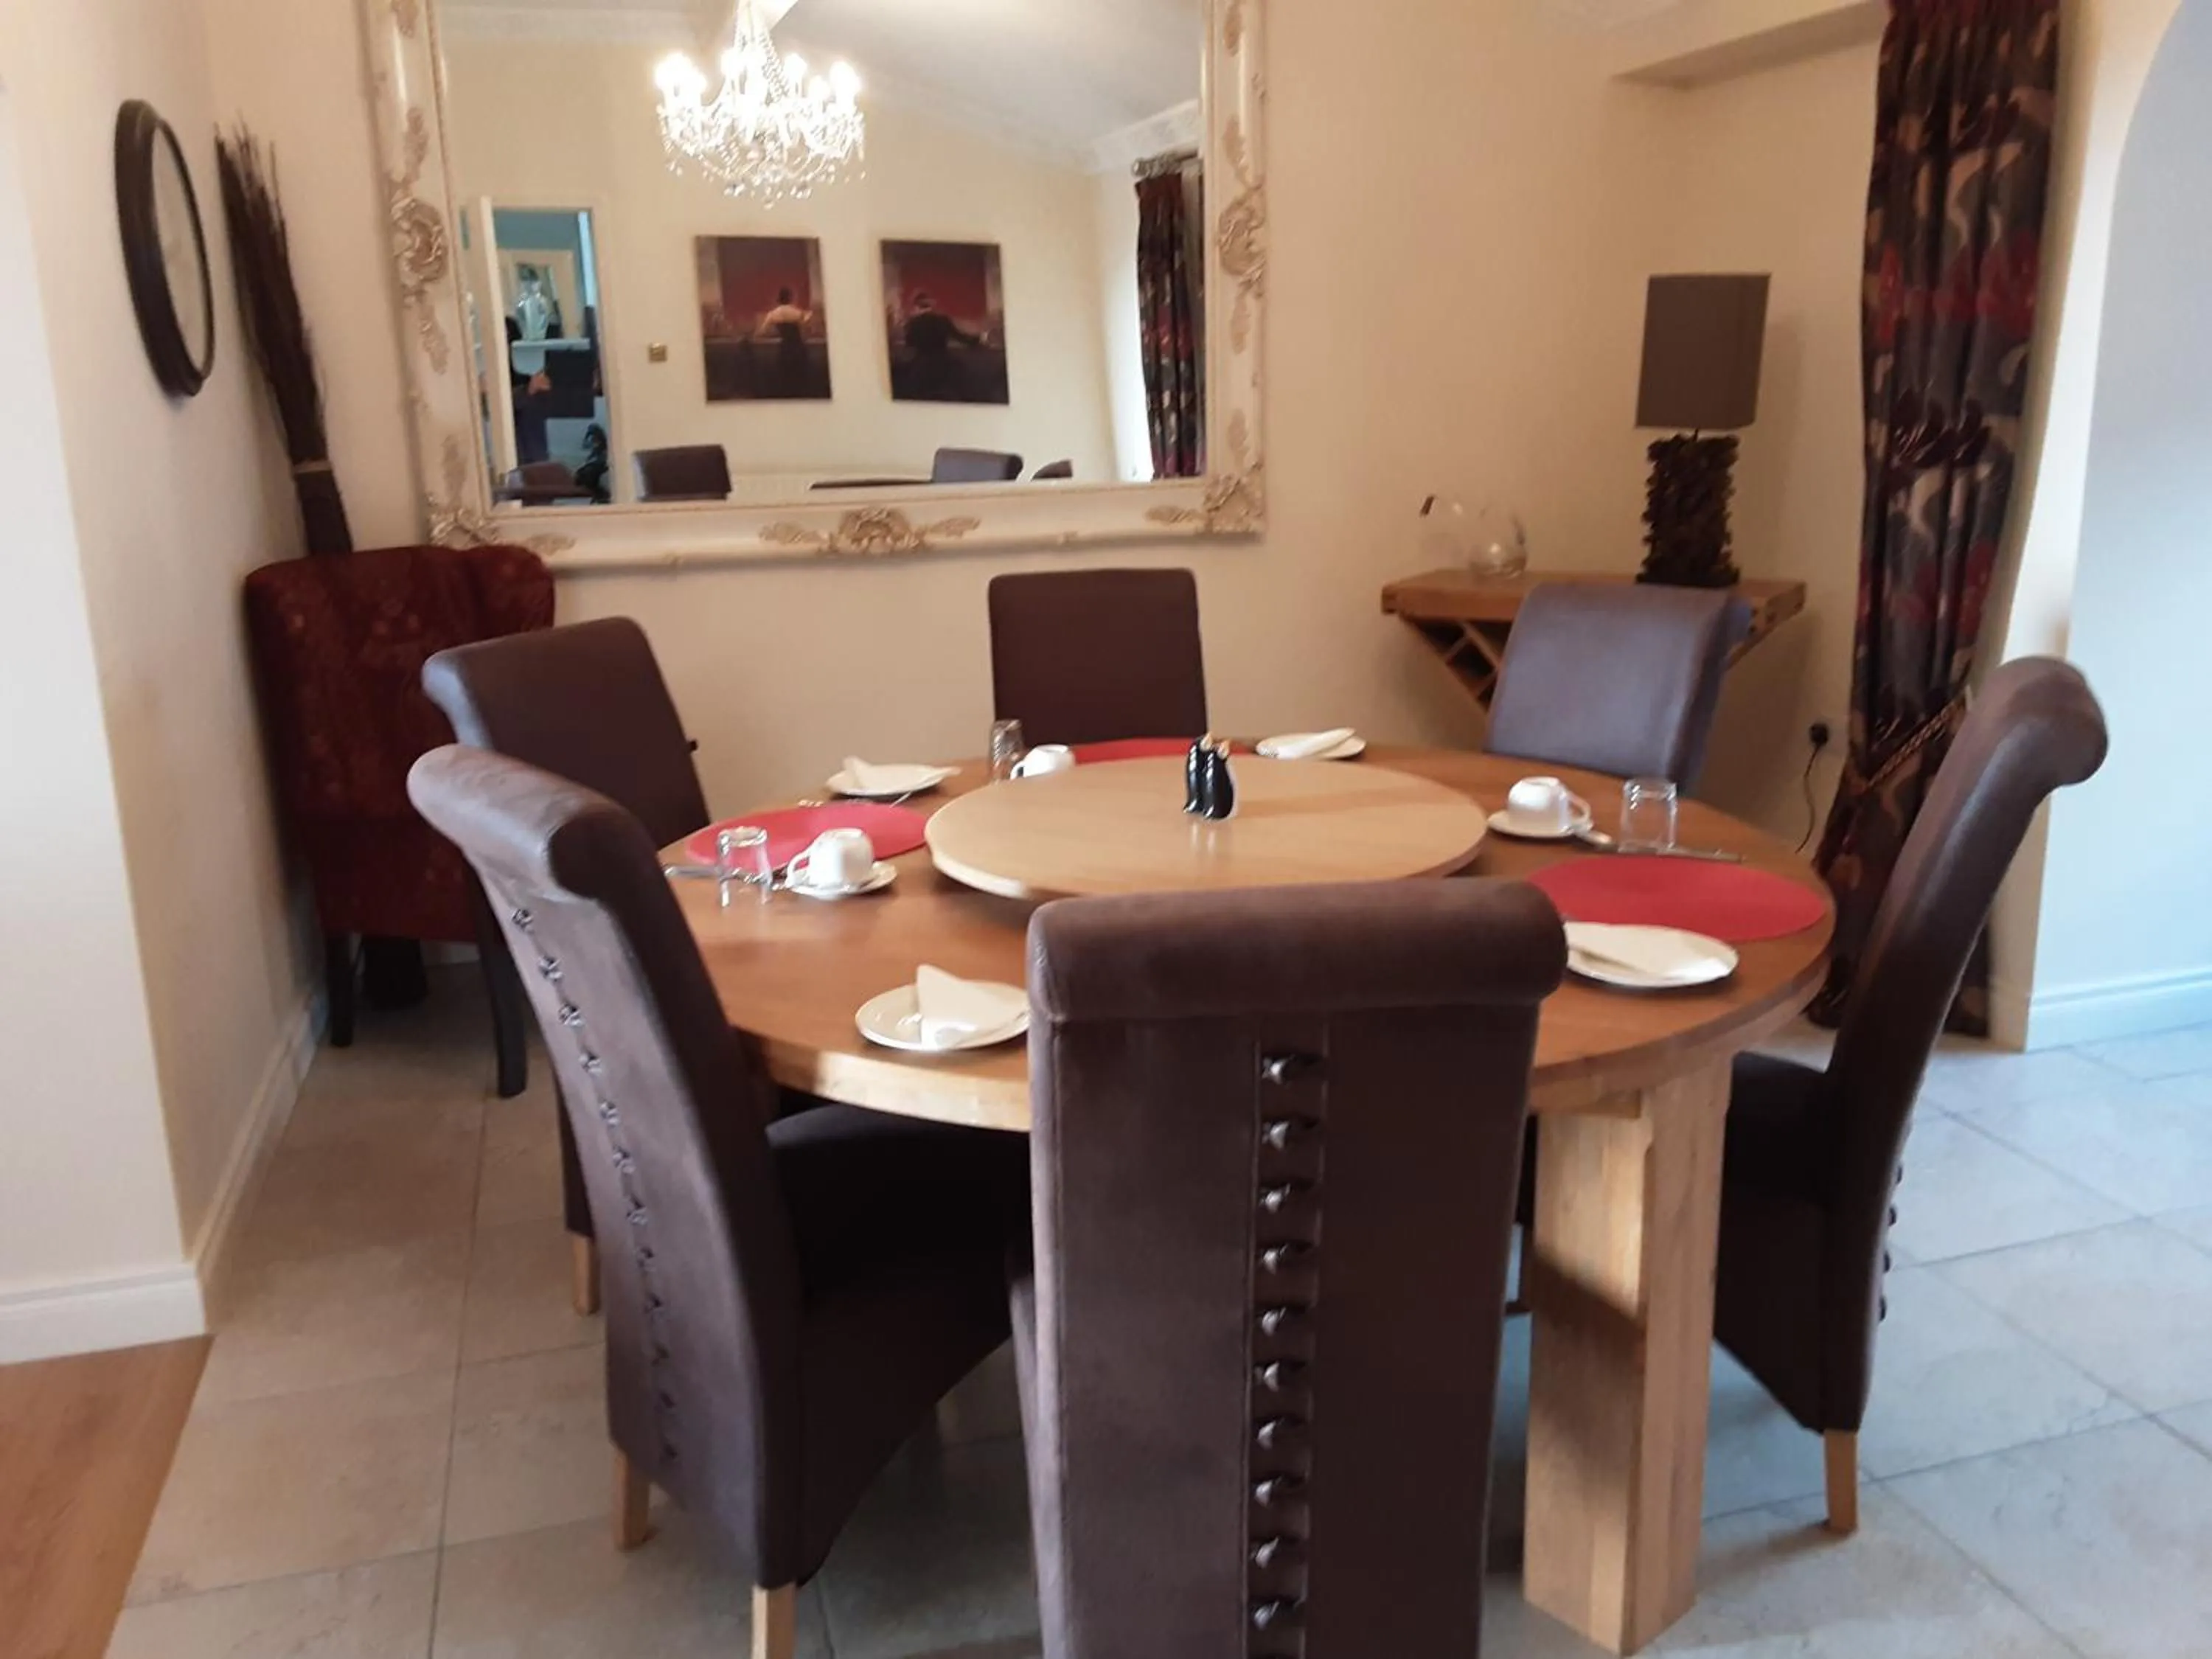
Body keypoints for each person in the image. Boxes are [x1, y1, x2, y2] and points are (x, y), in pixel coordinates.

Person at [900, 291, 981, 401]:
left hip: (922, 365)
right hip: (943, 363)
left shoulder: (913, 323)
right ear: (931, 306)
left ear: (917, 306)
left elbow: (909, 343)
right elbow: (960, 337)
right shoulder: (942, 320)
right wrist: (977, 340)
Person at [756, 286, 814, 397]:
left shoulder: (773, 314)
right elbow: (806, 330)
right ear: (790, 298)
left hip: (784, 349)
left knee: (785, 377)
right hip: (798, 348)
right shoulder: (797, 313)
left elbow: (762, 332)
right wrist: (808, 318)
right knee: (800, 378)